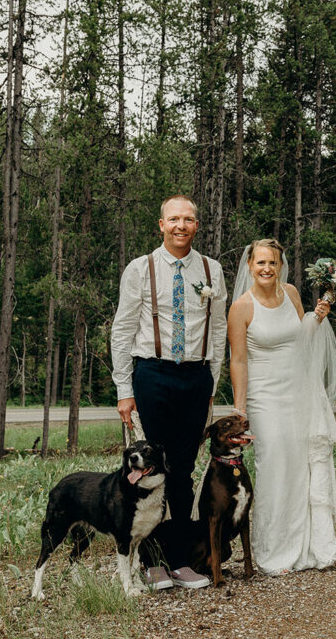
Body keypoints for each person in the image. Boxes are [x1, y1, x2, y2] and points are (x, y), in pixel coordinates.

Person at [110, 195, 227, 591]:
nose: (181, 226)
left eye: (188, 219)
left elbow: (220, 329)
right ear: (161, 225)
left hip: (195, 378)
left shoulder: (213, 270)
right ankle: (150, 562)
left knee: (183, 471)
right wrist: (125, 389)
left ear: (197, 225)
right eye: (173, 219)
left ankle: (178, 561)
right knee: (146, 469)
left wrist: (211, 381)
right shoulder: (140, 269)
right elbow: (123, 330)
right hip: (152, 374)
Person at [227, 238, 336, 575]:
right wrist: (240, 408)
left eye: (272, 263)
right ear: (249, 265)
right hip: (265, 396)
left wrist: (317, 318)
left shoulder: (290, 294)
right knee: (275, 465)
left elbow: (301, 338)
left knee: (300, 465)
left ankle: (305, 547)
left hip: (298, 390)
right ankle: (273, 551)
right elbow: (238, 360)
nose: (266, 269)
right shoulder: (242, 308)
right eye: (260, 262)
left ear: (280, 265)